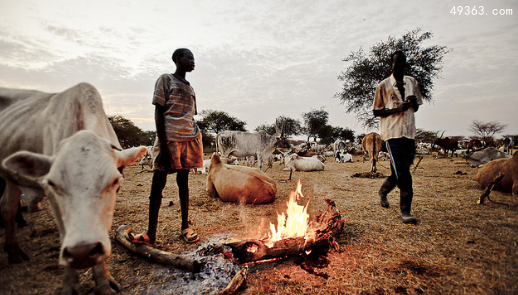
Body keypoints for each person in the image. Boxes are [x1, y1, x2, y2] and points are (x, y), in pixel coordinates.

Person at [131, 48, 203, 245]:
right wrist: (162, 145)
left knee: (183, 184)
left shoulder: (190, 88)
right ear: (177, 59)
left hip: (188, 139)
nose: (193, 60)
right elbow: (159, 113)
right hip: (168, 139)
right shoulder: (165, 80)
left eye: (194, 58)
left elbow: (189, 116)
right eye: (189, 57)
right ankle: (150, 233)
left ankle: (185, 227)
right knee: (157, 184)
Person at [372, 50, 422, 224]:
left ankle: (383, 191)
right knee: (404, 173)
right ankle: (405, 211)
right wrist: (396, 109)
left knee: (400, 171)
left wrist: (412, 101)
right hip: (392, 135)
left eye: (403, 63)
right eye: (396, 63)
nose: (399, 66)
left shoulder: (412, 82)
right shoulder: (383, 85)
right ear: (391, 64)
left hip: (409, 133)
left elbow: (415, 108)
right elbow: (376, 111)